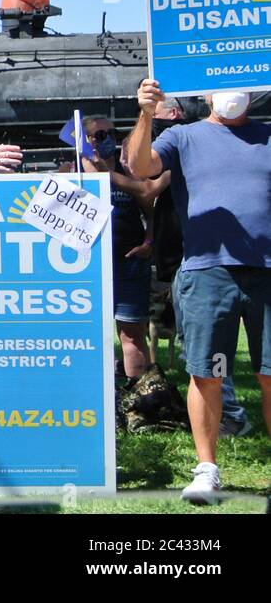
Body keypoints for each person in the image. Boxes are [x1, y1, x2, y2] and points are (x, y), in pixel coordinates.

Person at [124, 79, 271, 504]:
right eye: (223, 85)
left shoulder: (266, 134)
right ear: (205, 92)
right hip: (208, 277)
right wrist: (146, 113)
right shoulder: (183, 136)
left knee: (268, 373)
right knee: (209, 371)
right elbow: (140, 167)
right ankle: (207, 468)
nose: (233, 92)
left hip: (266, 275)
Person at [83, 115, 157, 380]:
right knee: (88, 335)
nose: (108, 141)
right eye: (100, 136)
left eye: (112, 134)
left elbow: (151, 209)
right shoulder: (70, 174)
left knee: (132, 333)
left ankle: (139, 398)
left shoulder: (130, 174)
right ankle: (97, 396)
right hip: (86, 268)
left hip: (128, 264)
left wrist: (149, 239)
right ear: (84, 140)